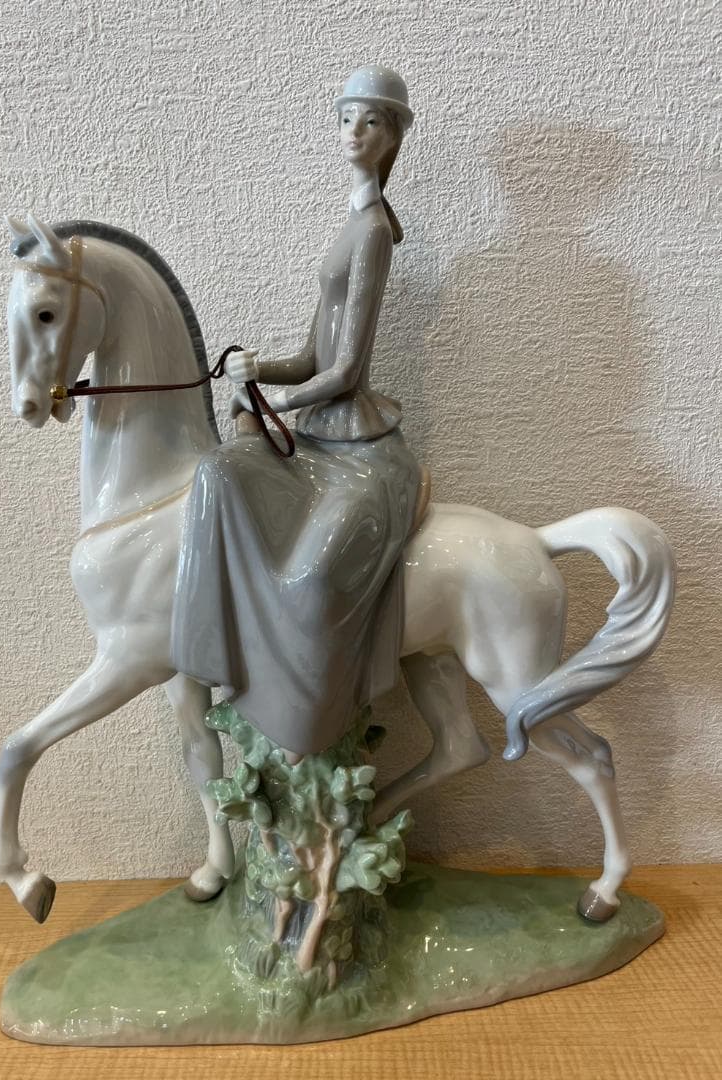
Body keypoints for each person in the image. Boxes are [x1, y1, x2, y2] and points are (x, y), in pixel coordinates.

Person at [173, 66, 421, 757]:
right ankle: (214, 658)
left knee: (311, 579)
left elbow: (345, 373)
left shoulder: (374, 232)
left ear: (393, 136)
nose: (355, 132)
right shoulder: (350, 224)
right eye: (346, 118)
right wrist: (258, 369)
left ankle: (307, 723)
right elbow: (314, 354)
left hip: (359, 447)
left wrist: (277, 401)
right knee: (217, 472)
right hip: (317, 434)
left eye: (371, 121)